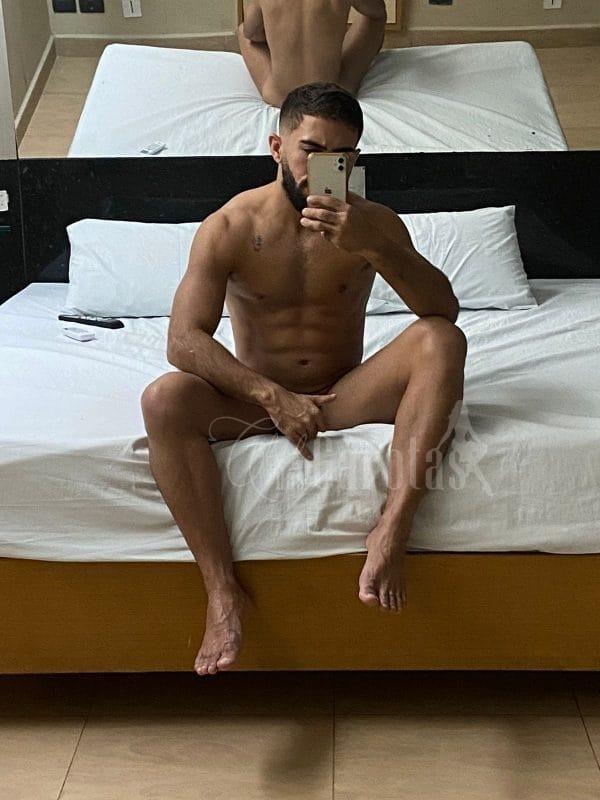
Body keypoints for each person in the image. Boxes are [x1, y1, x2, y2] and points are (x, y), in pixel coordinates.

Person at [140, 83, 467, 677]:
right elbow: (183, 340)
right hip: (256, 401)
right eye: (310, 150)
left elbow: (442, 310)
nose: (322, 167)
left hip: (345, 395)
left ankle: (391, 530)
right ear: (277, 146)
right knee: (164, 399)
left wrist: (375, 247)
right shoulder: (230, 225)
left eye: (340, 156)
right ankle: (222, 592)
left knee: (441, 341)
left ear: (354, 160)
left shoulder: (374, 223)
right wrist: (272, 396)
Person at [237, 0, 387, 107]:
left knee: (242, 31)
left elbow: (250, 32)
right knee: (376, 18)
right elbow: (377, 10)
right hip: (333, 92)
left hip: (282, 97)